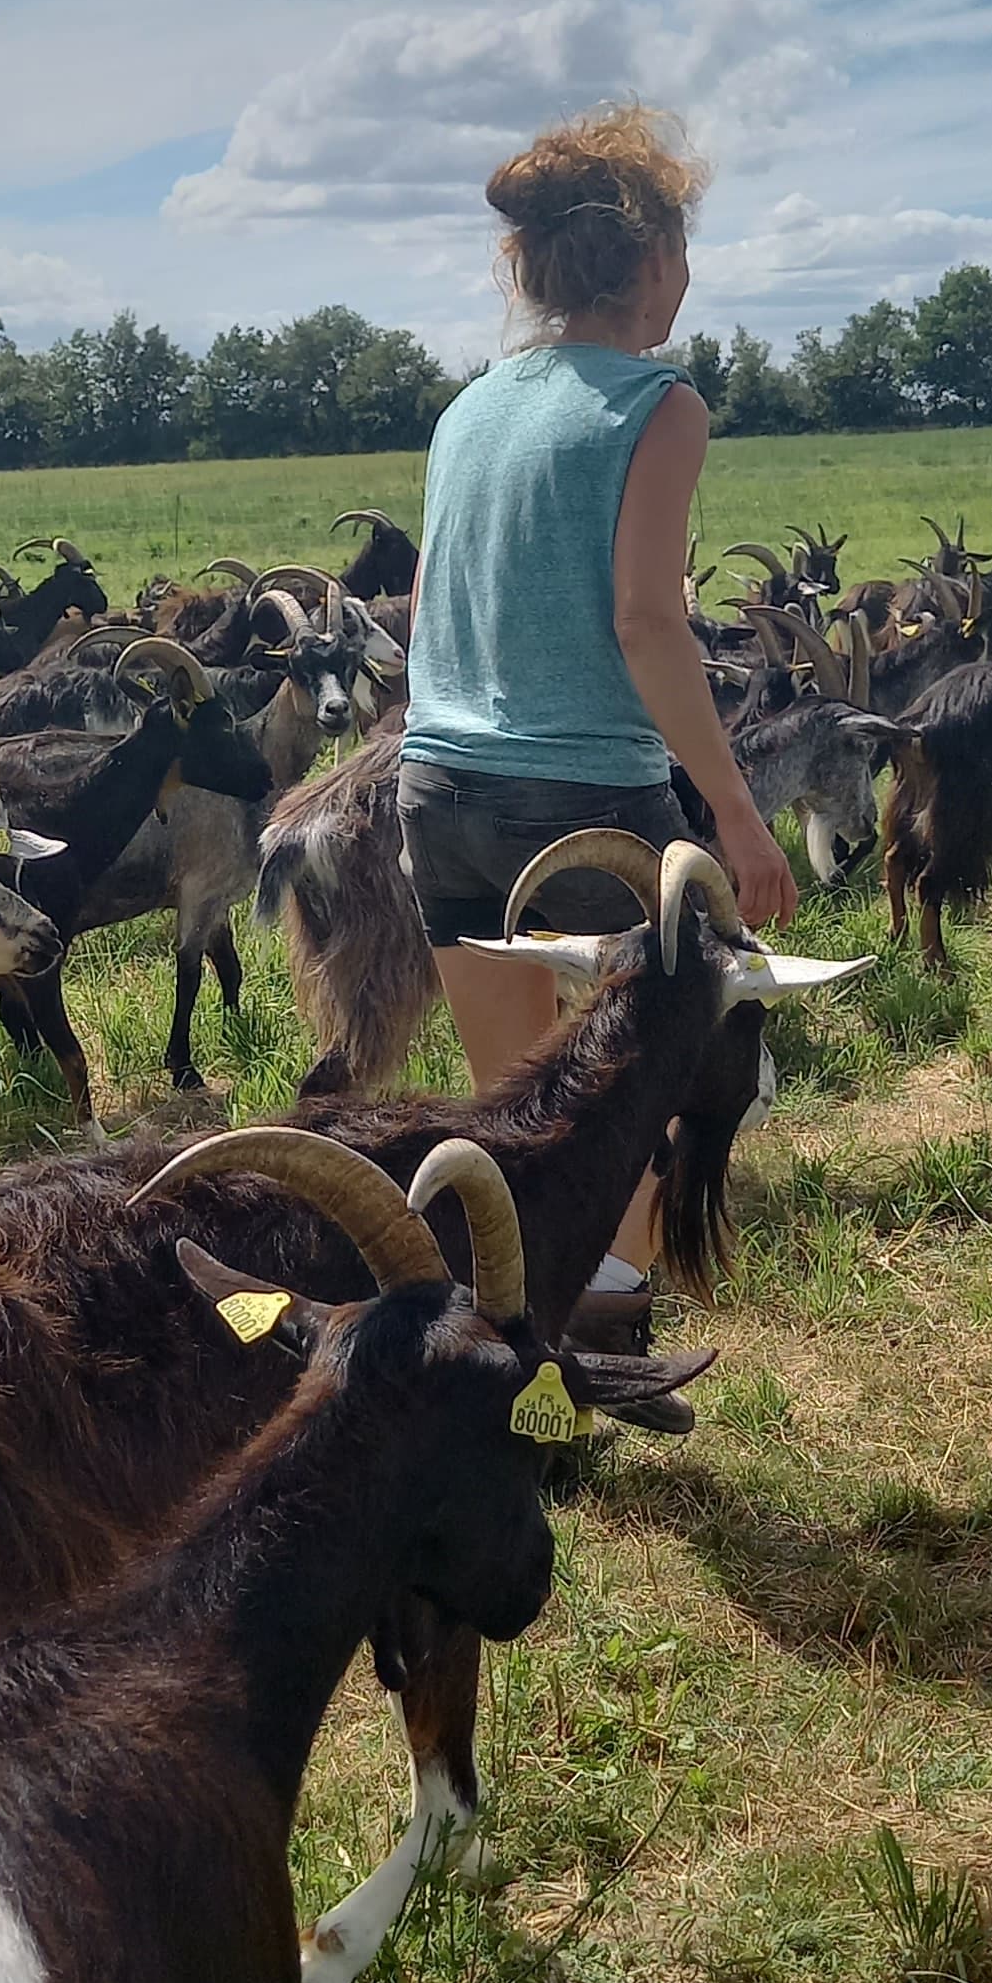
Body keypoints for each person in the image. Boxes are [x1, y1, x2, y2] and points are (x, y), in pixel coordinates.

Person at [397, 102, 797, 1345]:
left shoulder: (468, 412)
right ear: (655, 259)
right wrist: (736, 813)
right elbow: (645, 622)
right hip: (584, 810)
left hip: (436, 793)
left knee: (514, 1113)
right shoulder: (661, 405)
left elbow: (431, 606)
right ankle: (606, 1351)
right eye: (686, 249)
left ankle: (512, 1369)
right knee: (625, 1115)